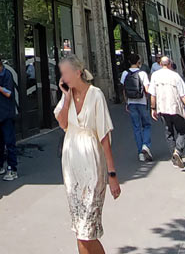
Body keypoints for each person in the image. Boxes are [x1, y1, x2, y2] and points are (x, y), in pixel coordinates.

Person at [54, 54, 120, 254]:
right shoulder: (68, 97)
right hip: (71, 166)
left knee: (86, 230)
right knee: (79, 227)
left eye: (65, 73)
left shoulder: (96, 94)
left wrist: (112, 174)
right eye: (61, 74)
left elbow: (104, 137)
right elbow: (63, 124)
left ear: (77, 72)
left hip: (92, 164)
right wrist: (66, 99)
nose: (63, 78)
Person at [150, 55, 185, 168]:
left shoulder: (155, 76)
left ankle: (174, 157)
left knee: (168, 133)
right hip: (175, 108)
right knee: (182, 131)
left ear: (160, 64)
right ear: (170, 64)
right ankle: (178, 151)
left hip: (162, 109)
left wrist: (153, 108)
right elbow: (183, 95)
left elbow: (152, 94)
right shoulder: (175, 76)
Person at [120, 54, 153, 162]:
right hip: (142, 102)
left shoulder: (125, 73)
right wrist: (151, 101)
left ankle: (140, 153)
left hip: (131, 103)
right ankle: (146, 145)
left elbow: (124, 89)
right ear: (138, 62)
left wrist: (126, 103)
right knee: (147, 125)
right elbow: (147, 89)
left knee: (136, 127)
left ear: (129, 61)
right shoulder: (142, 73)